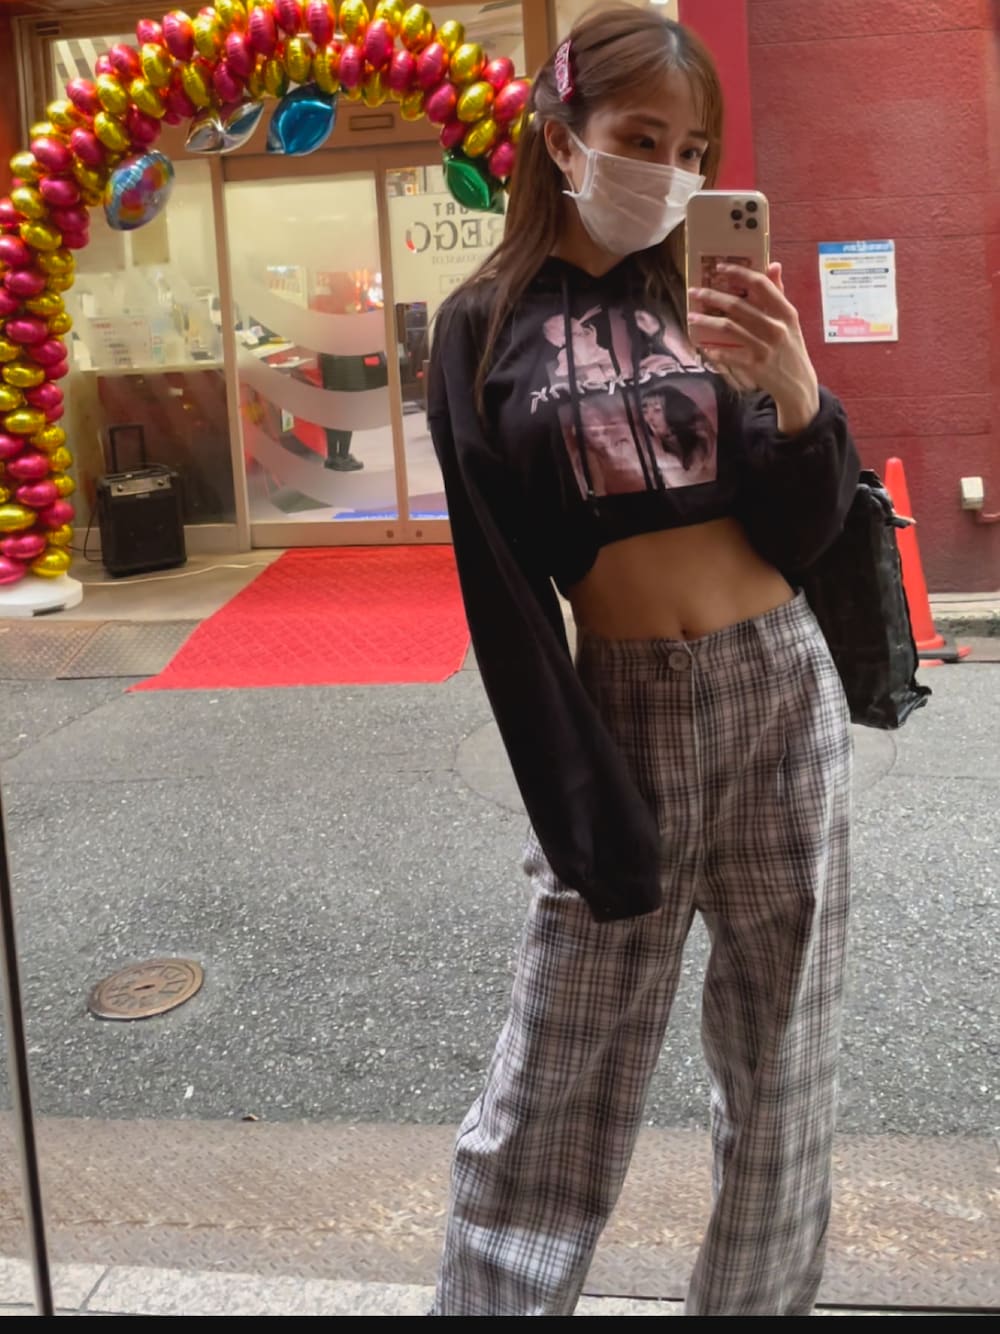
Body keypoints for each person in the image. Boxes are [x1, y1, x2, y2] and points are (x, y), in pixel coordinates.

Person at [427, 5, 858, 1318]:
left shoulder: (700, 299)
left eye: (693, 150)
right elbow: (504, 595)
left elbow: (802, 532)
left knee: (782, 1078)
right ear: (563, 140)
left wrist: (799, 398)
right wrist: (579, 805)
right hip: (627, 711)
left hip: (781, 690)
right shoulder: (481, 324)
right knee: (552, 1088)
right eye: (641, 138)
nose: (670, 171)